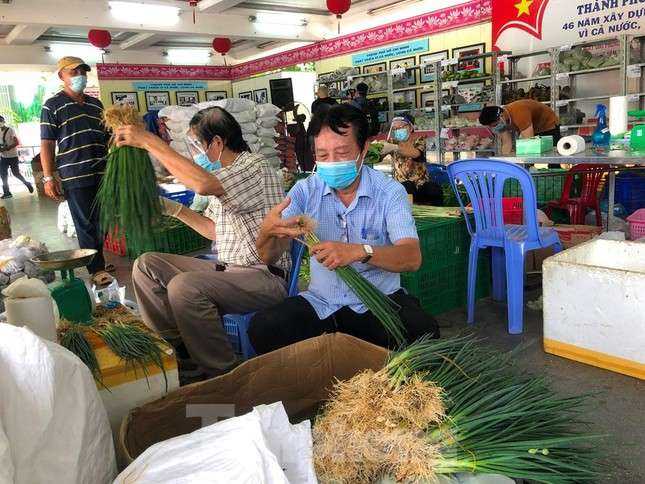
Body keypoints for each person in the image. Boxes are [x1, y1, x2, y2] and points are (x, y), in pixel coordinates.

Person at [114, 106, 291, 380]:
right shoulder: (225, 175)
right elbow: (212, 230)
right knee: (147, 265)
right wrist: (171, 209)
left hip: (263, 278)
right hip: (227, 270)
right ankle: (178, 350)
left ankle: (223, 372)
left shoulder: (253, 167)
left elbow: (203, 185)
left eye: (198, 144)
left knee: (184, 287)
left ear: (218, 142)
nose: (196, 153)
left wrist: (149, 141)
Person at [249, 104, 439, 354]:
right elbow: (268, 256)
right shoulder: (305, 191)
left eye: (341, 153)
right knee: (264, 327)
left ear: (364, 149)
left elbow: (411, 257)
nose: (331, 163)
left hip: (379, 302)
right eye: (323, 156)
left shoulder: (389, 192)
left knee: (423, 331)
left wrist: (361, 251)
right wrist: (267, 231)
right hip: (323, 303)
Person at [40, 56, 111, 284]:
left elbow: (107, 136)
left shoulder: (95, 105)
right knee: (86, 224)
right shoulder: (52, 105)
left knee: (103, 220)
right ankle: (96, 269)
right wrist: (49, 177)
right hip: (75, 175)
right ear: (61, 75)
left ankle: (97, 258)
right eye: (73, 72)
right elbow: (47, 144)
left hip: (102, 172)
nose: (79, 76)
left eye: (82, 71)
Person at [382, 114, 443, 205]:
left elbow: (415, 154)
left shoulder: (419, 140)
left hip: (421, 185)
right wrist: (379, 149)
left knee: (433, 189)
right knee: (406, 187)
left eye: (401, 127)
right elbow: (379, 155)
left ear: (410, 128)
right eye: (395, 129)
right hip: (402, 185)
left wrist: (395, 147)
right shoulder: (392, 142)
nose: (398, 130)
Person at [479, 99, 561, 155]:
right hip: (533, 127)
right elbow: (507, 143)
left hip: (548, 125)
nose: (494, 128)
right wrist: (505, 161)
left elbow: (529, 142)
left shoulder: (519, 112)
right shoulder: (502, 121)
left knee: (548, 156)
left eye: (494, 125)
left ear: (501, 116)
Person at [0, 116, 33, 198]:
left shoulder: (10, 130)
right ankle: (7, 192)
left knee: (16, 173)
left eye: (0, 121)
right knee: (3, 174)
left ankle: (27, 183)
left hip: (13, 156)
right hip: (3, 157)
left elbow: (16, 142)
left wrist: (7, 148)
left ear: (3, 121)